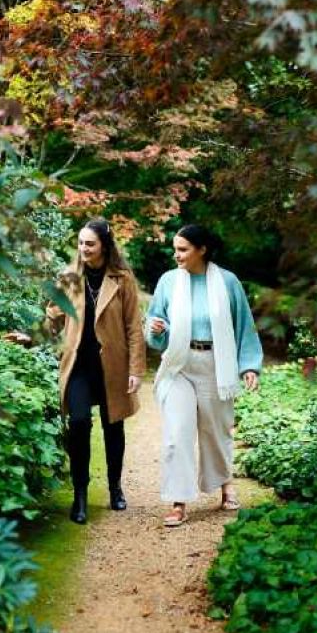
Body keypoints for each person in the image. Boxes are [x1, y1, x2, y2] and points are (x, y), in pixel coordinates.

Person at [145, 224, 262, 527]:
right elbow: (154, 324)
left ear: (202, 250)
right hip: (179, 364)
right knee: (176, 434)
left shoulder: (228, 282)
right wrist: (156, 330)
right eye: (175, 248)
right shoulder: (168, 281)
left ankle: (225, 484)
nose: (176, 255)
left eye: (183, 249)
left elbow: (244, 325)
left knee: (216, 430)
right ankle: (178, 501)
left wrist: (249, 365)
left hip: (215, 364)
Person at [47, 218, 146, 524]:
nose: (83, 248)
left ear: (104, 244)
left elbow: (133, 326)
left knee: (113, 426)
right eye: (80, 243)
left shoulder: (122, 278)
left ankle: (115, 488)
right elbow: (52, 325)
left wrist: (135, 369)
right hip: (78, 365)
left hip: (112, 365)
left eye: (89, 243)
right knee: (78, 424)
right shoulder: (69, 277)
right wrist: (51, 316)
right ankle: (80, 495)